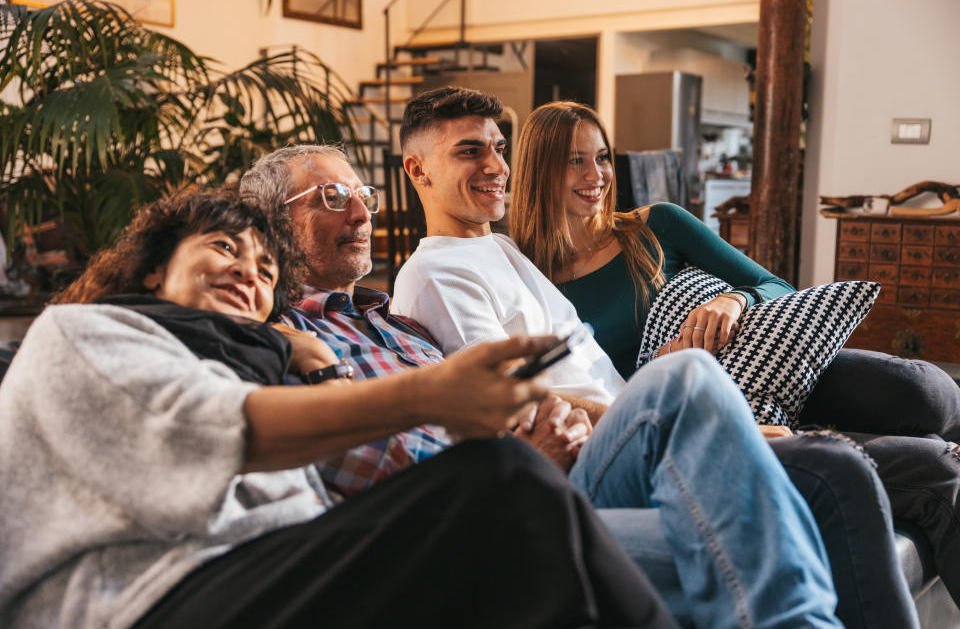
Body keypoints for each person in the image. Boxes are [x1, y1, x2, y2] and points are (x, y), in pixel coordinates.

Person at [0, 188, 681, 629]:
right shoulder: (85, 333)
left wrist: (319, 370)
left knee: (662, 540)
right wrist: (432, 396)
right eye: (224, 247)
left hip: (279, 578)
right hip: (143, 602)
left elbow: (322, 515)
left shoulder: (261, 366)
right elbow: (209, 430)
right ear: (152, 270)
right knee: (505, 482)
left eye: (266, 268)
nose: (249, 270)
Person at [240, 144, 846, 629]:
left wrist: (558, 427)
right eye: (332, 197)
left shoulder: (396, 321)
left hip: (545, 477)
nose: (362, 212)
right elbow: (376, 470)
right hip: (474, 521)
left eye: (362, 195)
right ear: (269, 224)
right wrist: (520, 455)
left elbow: (490, 410)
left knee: (774, 470)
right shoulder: (279, 343)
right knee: (738, 462)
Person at [388, 87, 927, 628]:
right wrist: (690, 423)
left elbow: (592, 366)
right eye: (469, 152)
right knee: (687, 376)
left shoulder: (502, 250)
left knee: (838, 469)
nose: (494, 165)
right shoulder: (436, 272)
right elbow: (516, 402)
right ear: (418, 169)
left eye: (499, 147)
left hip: (635, 436)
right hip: (592, 461)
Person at [508, 99, 960, 608]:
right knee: (933, 464)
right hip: (711, 403)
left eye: (603, 156)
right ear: (538, 169)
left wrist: (734, 299)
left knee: (928, 393)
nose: (596, 175)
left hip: (772, 360)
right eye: (575, 160)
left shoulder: (656, 224)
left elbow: (773, 284)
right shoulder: (527, 276)